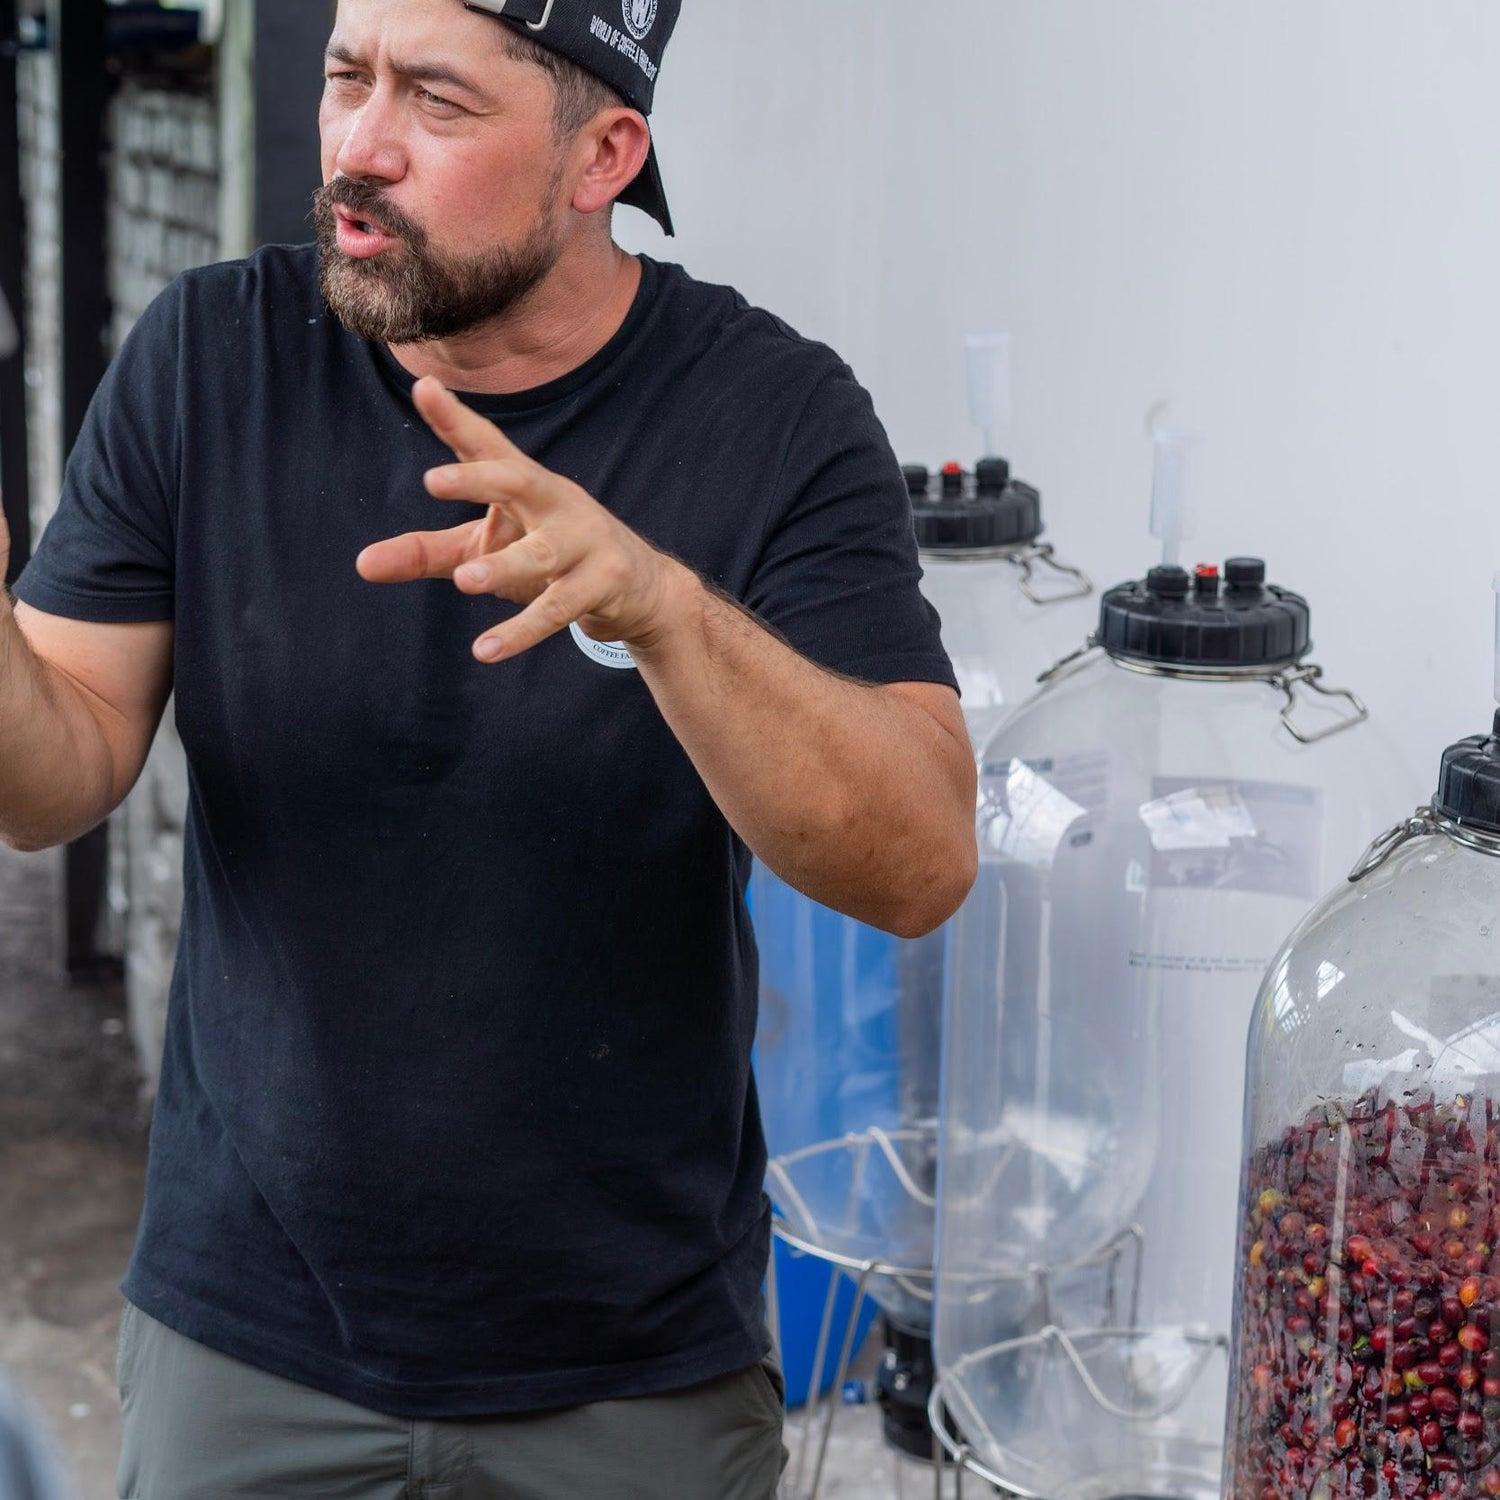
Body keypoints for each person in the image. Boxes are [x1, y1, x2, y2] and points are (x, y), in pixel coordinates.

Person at [0, 0, 977, 1494]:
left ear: (603, 155)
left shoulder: (773, 416)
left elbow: (919, 863)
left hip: (629, 1359)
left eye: (437, 104)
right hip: (250, 1335)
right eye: (346, 79)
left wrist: (662, 611)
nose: (359, 147)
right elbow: (52, 771)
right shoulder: (211, 357)